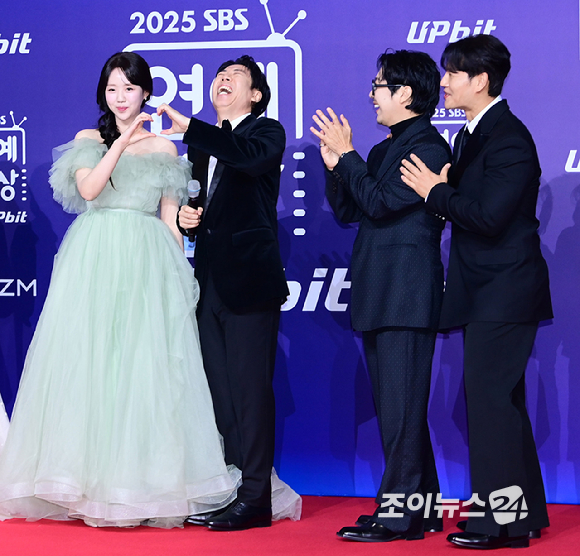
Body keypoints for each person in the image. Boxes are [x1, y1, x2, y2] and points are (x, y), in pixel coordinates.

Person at [0, 52, 241, 528]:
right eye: (112, 89)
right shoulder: (88, 140)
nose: (120, 98)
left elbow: (170, 219)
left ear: (145, 92)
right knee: (90, 363)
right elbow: (89, 190)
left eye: (129, 89)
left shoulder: (165, 149)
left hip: (147, 260)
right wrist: (122, 141)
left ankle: (138, 485)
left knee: (142, 368)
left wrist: (180, 275)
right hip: (94, 257)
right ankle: (79, 483)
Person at [401, 34, 552, 550]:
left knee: (491, 404)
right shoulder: (473, 135)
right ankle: (520, 515)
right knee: (500, 404)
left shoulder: (508, 138)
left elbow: (488, 217)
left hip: (505, 291)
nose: (443, 82)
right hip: (486, 291)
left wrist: (436, 192)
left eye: (452, 73)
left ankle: (502, 524)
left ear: (481, 80)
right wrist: (445, 191)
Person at [310, 50, 452, 542]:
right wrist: (336, 166)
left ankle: (397, 514)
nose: (371, 94)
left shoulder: (428, 147)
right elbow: (351, 210)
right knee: (399, 410)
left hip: (406, 294)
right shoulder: (383, 149)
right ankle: (423, 508)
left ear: (404, 93)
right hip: (381, 290)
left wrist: (349, 156)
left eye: (378, 85)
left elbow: (382, 202)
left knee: (401, 410)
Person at [156, 55, 300, 531]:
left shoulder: (267, 132)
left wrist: (192, 128)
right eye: (220, 75)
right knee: (221, 395)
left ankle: (257, 497)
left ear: (255, 94)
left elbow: (248, 158)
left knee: (250, 392)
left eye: (235, 76)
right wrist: (187, 219)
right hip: (210, 284)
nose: (223, 79)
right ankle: (235, 488)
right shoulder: (203, 145)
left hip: (251, 285)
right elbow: (200, 203)